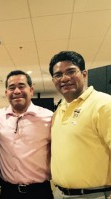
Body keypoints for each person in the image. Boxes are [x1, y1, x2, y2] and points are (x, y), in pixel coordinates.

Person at [49, 51, 111, 199]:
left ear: (84, 74)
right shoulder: (59, 110)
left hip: (95, 195)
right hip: (59, 194)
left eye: (71, 71)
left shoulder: (104, 104)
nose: (64, 78)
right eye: (58, 75)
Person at [0, 70, 54, 199]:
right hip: (8, 192)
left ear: (31, 90)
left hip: (40, 192)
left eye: (21, 86)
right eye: (12, 87)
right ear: (6, 93)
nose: (17, 91)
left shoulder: (48, 117)